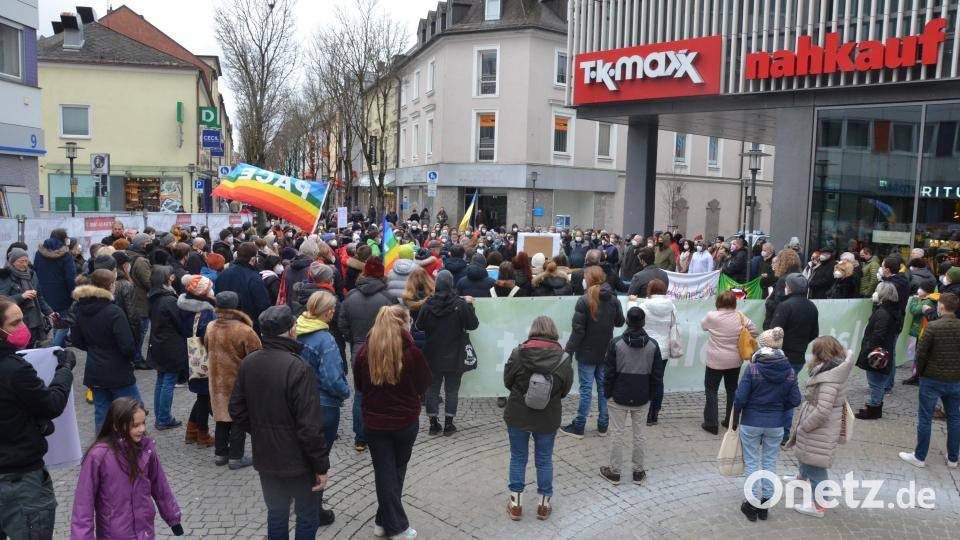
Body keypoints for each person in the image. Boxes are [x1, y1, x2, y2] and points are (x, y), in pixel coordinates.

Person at [230, 305, 334, 536]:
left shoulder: (249, 362)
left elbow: (236, 410)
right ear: (291, 331)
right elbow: (310, 426)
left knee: (276, 513)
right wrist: (321, 465)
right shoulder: (298, 367)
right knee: (307, 515)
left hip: (266, 457)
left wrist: (260, 431)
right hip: (298, 462)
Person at [354, 306, 432, 539]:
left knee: (385, 472)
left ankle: (382, 520)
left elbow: (359, 386)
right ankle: (396, 526)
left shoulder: (363, 353)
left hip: (374, 422)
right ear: (403, 324)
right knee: (395, 472)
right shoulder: (413, 353)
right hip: (404, 422)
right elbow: (423, 385)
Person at [0, 298, 75, 540]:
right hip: (20, 479)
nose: (23, 327)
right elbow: (52, 404)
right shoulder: (14, 369)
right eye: (16, 323)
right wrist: (63, 370)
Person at [70, 398, 184, 538]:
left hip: (144, 532)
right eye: (135, 425)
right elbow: (83, 505)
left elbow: (160, 485)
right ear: (117, 426)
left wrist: (172, 517)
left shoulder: (146, 449)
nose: (142, 429)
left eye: (143, 423)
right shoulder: (98, 456)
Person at [503, 316, 573, 521]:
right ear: (553, 332)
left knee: (518, 458)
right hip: (548, 416)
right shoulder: (564, 358)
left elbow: (508, 381)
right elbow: (565, 390)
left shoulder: (518, 353)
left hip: (518, 413)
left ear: (532, 330)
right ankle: (543, 506)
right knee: (544, 460)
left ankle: (516, 505)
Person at [732, 328, 801, 521]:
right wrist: (779, 407)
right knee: (770, 462)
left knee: (752, 462)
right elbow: (795, 400)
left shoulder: (753, 369)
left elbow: (740, 398)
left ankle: (751, 504)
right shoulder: (789, 371)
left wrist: (739, 414)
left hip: (751, 422)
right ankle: (765, 505)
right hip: (776, 424)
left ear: (761, 347)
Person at [784, 336, 854, 518]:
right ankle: (802, 478)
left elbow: (823, 410)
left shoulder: (830, 378)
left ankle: (819, 506)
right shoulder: (832, 369)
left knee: (816, 464)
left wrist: (805, 426)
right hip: (818, 424)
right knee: (806, 453)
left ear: (820, 353)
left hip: (820, 428)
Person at [599, 307, 665, 486]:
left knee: (617, 434)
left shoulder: (616, 343)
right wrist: (650, 395)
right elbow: (657, 376)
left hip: (618, 395)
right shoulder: (652, 345)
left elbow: (609, 373)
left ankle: (615, 472)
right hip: (642, 395)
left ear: (627, 321)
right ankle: (638, 472)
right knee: (639, 435)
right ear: (643, 323)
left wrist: (607, 393)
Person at [71, 269, 141, 432]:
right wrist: (129, 358)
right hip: (118, 368)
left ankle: (103, 450)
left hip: (94, 368)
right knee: (133, 409)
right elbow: (127, 345)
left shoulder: (80, 308)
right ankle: (134, 446)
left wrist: (94, 348)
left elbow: (76, 339)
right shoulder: (113, 311)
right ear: (111, 285)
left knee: (102, 413)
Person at [561, 266, 625, 438]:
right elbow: (620, 322)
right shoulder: (613, 299)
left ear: (588, 279)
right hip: (606, 351)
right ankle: (603, 425)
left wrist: (568, 352)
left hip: (587, 353)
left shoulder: (584, 300)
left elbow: (578, 331)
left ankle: (579, 426)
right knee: (604, 388)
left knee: (586, 390)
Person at [339, 257, 396, 452]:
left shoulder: (351, 296)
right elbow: (396, 326)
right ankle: (382, 433)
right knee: (385, 391)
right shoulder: (388, 298)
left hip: (358, 349)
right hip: (383, 348)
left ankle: (360, 438)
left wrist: (354, 339)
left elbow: (342, 324)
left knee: (361, 394)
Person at [899, 293, 960, 468]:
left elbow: (921, 354)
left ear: (941, 307)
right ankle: (953, 458)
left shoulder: (933, 327)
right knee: (955, 418)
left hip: (932, 378)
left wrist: (920, 373)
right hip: (955, 380)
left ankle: (919, 456)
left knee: (925, 418)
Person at [416, 270, 480, 436]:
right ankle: (449, 425)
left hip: (432, 354)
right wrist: (470, 305)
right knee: (452, 390)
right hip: (455, 355)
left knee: (432, 389)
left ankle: (433, 424)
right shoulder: (460, 304)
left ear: (436, 285)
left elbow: (419, 326)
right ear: (451, 284)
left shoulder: (428, 304)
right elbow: (473, 325)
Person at [205, 291, 260, 469]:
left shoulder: (211, 326)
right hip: (237, 381)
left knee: (221, 417)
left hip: (216, 380)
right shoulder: (244, 330)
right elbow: (256, 356)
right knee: (238, 418)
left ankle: (220, 454)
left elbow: (206, 346)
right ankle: (236, 457)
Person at [297, 291, 350, 450]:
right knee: (320, 455)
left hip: (299, 400)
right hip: (323, 405)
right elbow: (332, 379)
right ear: (328, 311)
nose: (334, 311)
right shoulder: (325, 340)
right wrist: (345, 392)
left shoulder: (296, 330)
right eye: (333, 308)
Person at [769, 273, 820, 442]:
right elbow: (815, 333)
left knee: (777, 396)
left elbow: (774, 332)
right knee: (787, 394)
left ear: (789, 287)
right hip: (798, 357)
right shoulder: (811, 306)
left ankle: (779, 433)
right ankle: (783, 433)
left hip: (782, 356)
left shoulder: (785, 306)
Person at [700, 291, 757, 434]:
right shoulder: (740, 316)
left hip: (715, 360)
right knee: (732, 390)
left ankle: (711, 423)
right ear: (734, 303)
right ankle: (731, 422)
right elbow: (754, 331)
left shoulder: (712, 316)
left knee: (711, 390)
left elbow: (703, 326)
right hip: (734, 360)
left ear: (718, 302)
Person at [147, 266, 188, 430]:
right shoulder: (169, 299)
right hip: (171, 344)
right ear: (167, 278)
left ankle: (160, 416)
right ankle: (164, 418)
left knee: (161, 380)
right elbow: (180, 323)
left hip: (158, 342)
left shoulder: (154, 297)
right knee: (168, 381)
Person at [179, 275, 217, 448]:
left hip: (190, 356)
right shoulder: (205, 311)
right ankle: (203, 434)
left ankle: (191, 431)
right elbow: (206, 335)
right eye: (209, 288)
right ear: (203, 292)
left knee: (202, 395)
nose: (212, 290)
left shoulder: (184, 306)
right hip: (203, 358)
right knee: (204, 397)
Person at [854, 281, 900, 420]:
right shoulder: (890, 310)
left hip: (877, 354)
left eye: (877, 290)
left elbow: (878, 335)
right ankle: (874, 406)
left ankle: (874, 408)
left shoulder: (883, 313)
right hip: (882, 351)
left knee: (875, 382)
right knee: (876, 381)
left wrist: (868, 349)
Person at [639, 279, 677, 426]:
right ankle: (655, 413)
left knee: (646, 380)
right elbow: (674, 325)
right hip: (664, 348)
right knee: (659, 380)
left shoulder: (643, 306)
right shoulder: (672, 307)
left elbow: (636, 321)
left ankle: (646, 412)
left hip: (647, 347)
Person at [0, 248, 53, 348]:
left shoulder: (32, 274)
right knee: (17, 350)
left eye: (26, 261)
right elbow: (1, 301)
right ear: (12, 262)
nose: (24, 264)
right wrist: (22, 296)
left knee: (31, 349)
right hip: (17, 322)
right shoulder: (4, 276)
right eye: (21, 261)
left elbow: (39, 297)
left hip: (34, 321)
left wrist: (50, 312)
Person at [33, 229, 76, 347]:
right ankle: (55, 348)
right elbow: (70, 276)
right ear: (63, 239)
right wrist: (73, 292)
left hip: (44, 291)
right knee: (63, 323)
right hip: (62, 293)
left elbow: (35, 271)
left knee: (56, 321)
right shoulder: (66, 254)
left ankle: (58, 350)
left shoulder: (39, 253)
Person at [216, 242, 271, 332]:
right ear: (253, 259)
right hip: (249, 327)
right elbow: (263, 305)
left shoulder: (223, 274)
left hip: (225, 325)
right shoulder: (254, 278)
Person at [763, 249, 802, 330]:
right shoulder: (801, 278)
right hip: (796, 324)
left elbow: (779, 306)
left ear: (783, 262)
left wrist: (768, 301)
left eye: (778, 260)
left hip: (780, 327)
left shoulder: (783, 280)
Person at [401, 268, 434, 351]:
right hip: (431, 333)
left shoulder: (407, 298)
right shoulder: (434, 296)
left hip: (414, 334)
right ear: (427, 279)